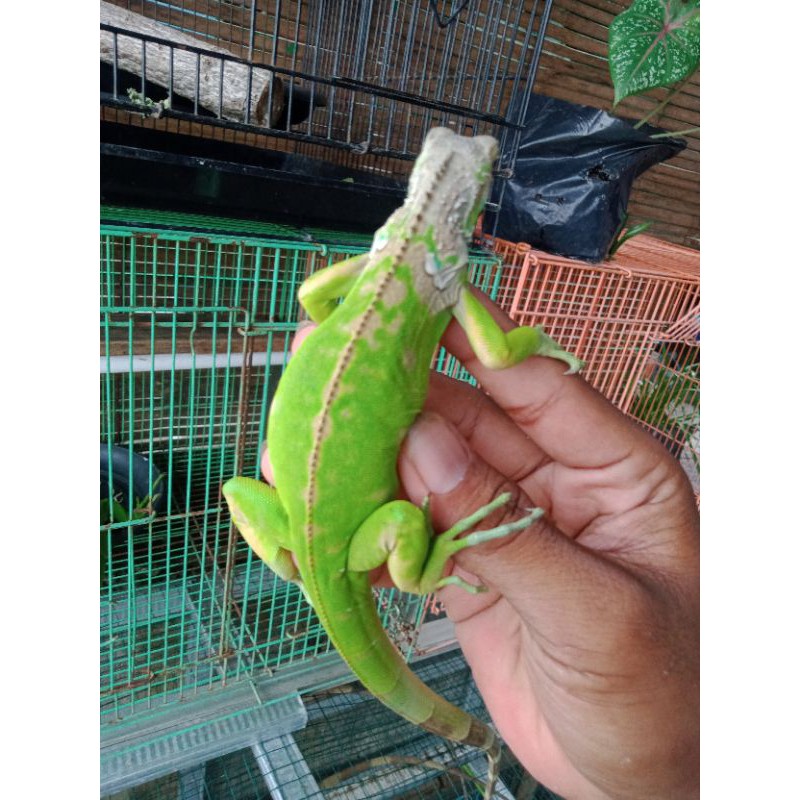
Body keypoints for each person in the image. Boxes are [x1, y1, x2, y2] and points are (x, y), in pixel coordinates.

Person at [263, 292, 700, 800]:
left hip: (307, 535)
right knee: (405, 513)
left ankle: (283, 556)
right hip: (342, 538)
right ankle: (419, 576)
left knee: (246, 488)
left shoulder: (375, 295)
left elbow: (311, 296)